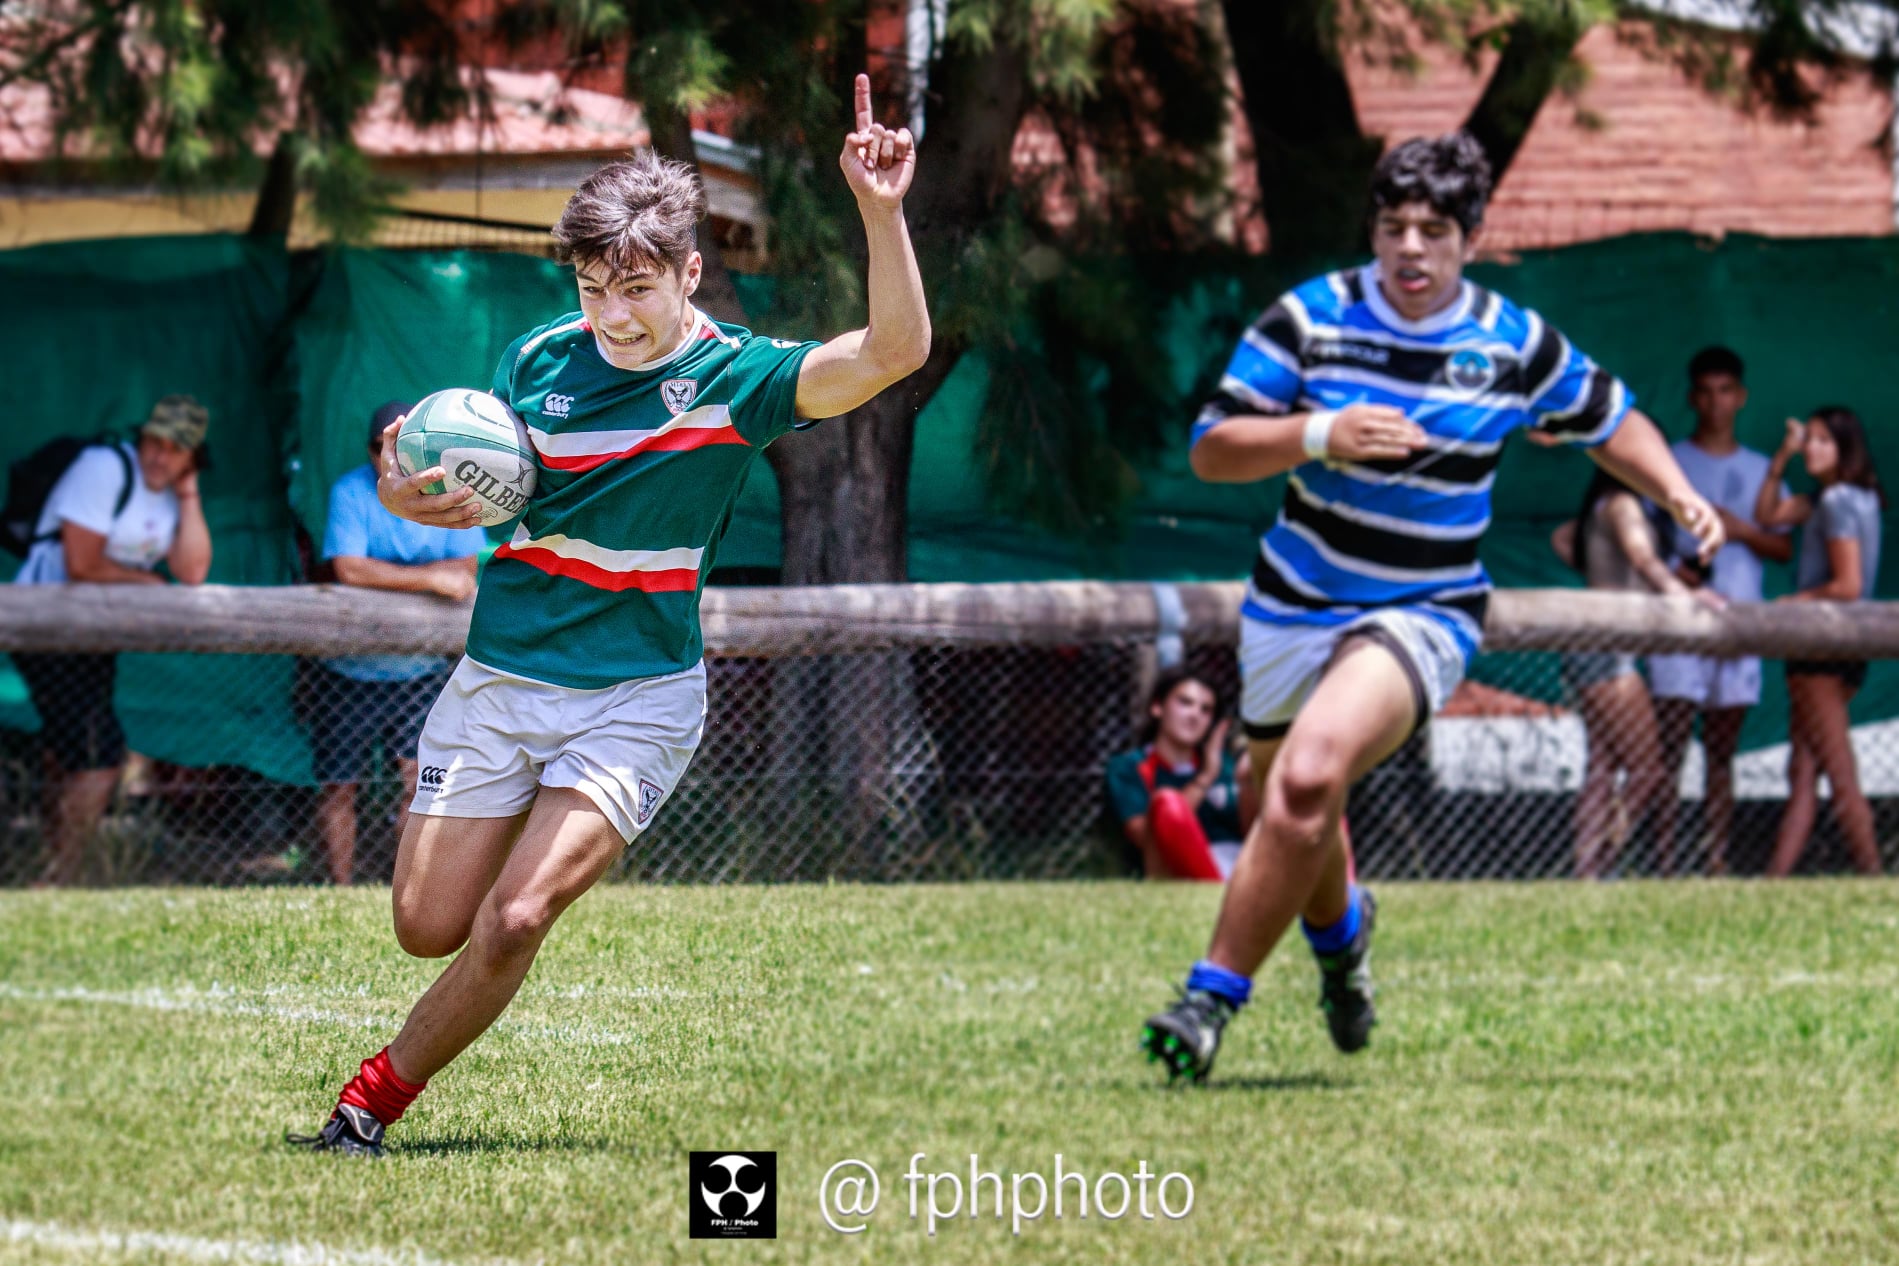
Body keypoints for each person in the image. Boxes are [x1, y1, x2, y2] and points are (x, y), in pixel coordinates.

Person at [289, 75, 929, 1156]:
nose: (614, 315)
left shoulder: (739, 380)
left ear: (689, 271)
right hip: (501, 679)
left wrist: (880, 211)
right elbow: (462, 492)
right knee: (424, 926)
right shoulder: (539, 361)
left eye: (636, 289)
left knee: (516, 918)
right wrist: (408, 492)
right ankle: (500, 842)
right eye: (594, 289)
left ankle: (369, 1104)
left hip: (636, 698)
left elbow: (892, 353)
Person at [1138, 133, 1722, 1084]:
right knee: (1283, 800)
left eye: (1434, 231)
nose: (1410, 248)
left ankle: (1208, 999)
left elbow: (1610, 419)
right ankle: (1344, 944)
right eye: (1392, 227)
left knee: (1306, 776)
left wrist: (1674, 493)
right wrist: (1318, 433)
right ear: (1373, 228)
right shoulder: (1309, 318)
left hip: (1424, 607)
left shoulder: (1509, 341)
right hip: (1292, 602)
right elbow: (1211, 448)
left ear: (1470, 239)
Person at [11, 396, 213, 886]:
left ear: (193, 458)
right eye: (155, 442)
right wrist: (149, 585)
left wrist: (188, 496)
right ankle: (66, 878)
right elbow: (81, 563)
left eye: (176, 449)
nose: (160, 456)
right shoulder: (101, 467)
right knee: (100, 760)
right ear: (140, 438)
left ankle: (53, 866)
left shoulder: (171, 494)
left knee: (71, 753)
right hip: (51, 628)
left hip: (96, 638)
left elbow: (191, 571)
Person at [305, 401, 486, 886]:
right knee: (339, 787)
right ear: (371, 450)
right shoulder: (350, 490)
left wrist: (392, 578)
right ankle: (341, 886)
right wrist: (429, 578)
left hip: (421, 670)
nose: (390, 458)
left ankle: (399, 885)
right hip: (348, 672)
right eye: (381, 448)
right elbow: (348, 568)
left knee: (419, 785)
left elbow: (465, 575)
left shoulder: (451, 489)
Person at [1645, 347, 1791, 875]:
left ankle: (1717, 859)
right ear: (1691, 398)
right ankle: (1664, 860)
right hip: (1679, 624)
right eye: (1705, 392)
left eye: (1725, 391)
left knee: (1721, 753)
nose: (1715, 403)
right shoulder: (1670, 463)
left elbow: (1783, 547)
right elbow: (1642, 537)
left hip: (1739, 622)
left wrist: (1740, 528)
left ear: (1742, 397)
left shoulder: (1759, 470)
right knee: (1668, 749)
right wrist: (1673, 570)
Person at [1552, 470, 1721, 878]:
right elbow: (1644, 559)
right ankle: (1607, 857)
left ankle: (1587, 871)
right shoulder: (1625, 506)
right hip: (1608, 650)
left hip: (1590, 646)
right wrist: (1684, 596)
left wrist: (1600, 568)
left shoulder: (1601, 505)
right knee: (1646, 770)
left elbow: (1562, 538)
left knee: (1603, 765)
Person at [1756, 408, 1885, 877]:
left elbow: (1847, 585)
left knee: (1838, 771)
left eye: (1821, 441)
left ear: (1844, 448)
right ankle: (1775, 879)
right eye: (1807, 440)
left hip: (1821, 650)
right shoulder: (1844, 499)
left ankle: (1873, 875)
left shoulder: (1837, 504)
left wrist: (1795, 601)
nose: (1810, 448)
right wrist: (1782, 458)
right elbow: (1766, 514)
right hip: (1845, 650)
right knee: (1804, 770)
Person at [1106, 670, 1257, 880]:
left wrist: (1246, 781)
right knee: (1167, 802)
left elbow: (1253, 834)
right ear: (1157, 708)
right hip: (1179, 870)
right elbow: (1144, 838)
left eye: (1206, 710)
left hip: (1241, 863)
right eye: (1185, 703)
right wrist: (1205, 778)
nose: (1195, 715)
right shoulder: (1129, 767)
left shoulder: (1227, 765)